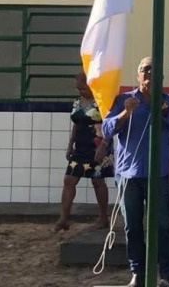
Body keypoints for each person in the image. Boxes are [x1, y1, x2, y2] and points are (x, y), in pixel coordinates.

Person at [102, 57, 169, 287]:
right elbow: (106, 129)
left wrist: (163, 106)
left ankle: (168, 275)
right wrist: (124, 115)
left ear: (160, 76)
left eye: (153, 70)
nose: (148, 74)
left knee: (162, 225)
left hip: (157, 174)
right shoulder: (124, 100)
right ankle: (137, 273)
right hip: (128, 176)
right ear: (138, 76)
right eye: (144, 70)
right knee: (132, 226)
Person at [55, 71, 113, 231]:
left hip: (97, 146)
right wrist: (70, 144)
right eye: (78, 89)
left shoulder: (102, 102)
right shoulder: (77, 102)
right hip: (79, 147)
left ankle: (103, 216)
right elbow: (76, 124)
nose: (80, 91)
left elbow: (110, 125)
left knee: (97, 181)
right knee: (69, 180)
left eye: (83, 88)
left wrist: (103, 146)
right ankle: (63, 218)